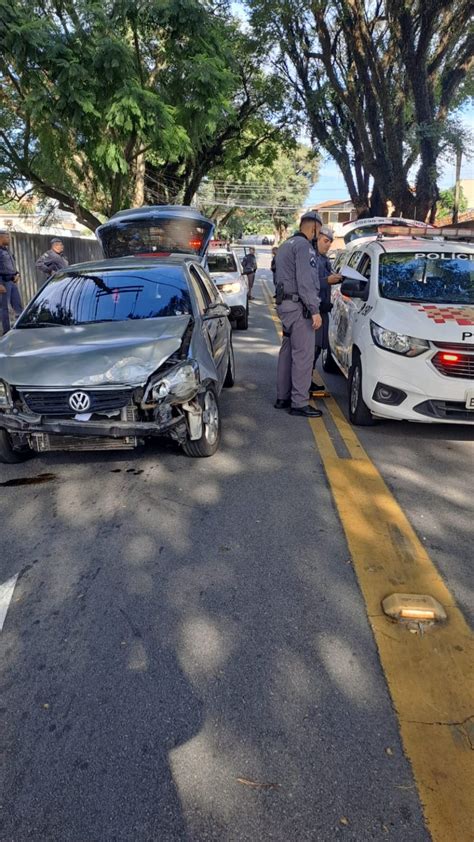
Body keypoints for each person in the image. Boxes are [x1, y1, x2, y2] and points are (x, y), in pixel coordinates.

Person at [274, 211, 323, 418]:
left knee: (286, 353)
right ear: (313, 227)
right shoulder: (304, 247)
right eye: (318, 232)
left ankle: (282, 397)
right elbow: (305, 281)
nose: (317, 236)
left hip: (284, 305)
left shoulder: (286, 245)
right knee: (303, 356)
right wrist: (314, 309)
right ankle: (299, 402)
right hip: (298, 307)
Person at [310, 226, 343, 396]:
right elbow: (309, 283)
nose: (328, 245)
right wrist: (327, 280)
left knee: (319, 348)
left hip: (323, 308)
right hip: (313, 309)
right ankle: (303, 384)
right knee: (311, 348)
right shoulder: (311, 258)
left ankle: (307, 381)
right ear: (317, 239)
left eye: (330, 242)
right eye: (325, 241)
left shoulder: (324, 259)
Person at [0, 229, 23, 335]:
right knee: (4, 308)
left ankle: (20, 328)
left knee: (18, 306)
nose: (9, 239)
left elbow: (11, 265)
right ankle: (6, 332)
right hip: (3, 282)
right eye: (7, 237)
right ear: (1, 238)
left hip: (12, 281)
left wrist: (17, 274)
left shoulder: (7, 250)